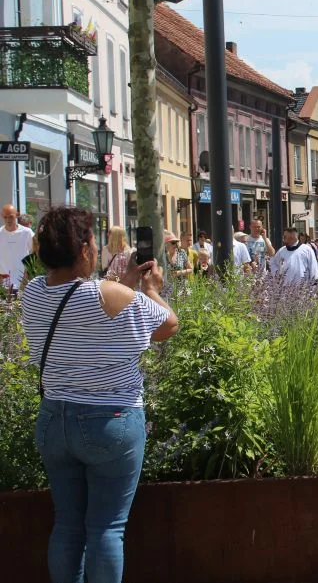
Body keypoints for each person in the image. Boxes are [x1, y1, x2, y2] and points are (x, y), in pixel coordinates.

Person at [21, 206, 178, 581]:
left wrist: (120, 282)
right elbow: (168, 324)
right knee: (107, 528)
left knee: (68, 524)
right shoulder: (108, 295)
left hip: (54, 419)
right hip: (110, 420)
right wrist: (151, 289)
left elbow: (84, 300)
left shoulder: (34, 292)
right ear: (85, 250)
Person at [1, 203, 35, 293]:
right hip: (3, 285)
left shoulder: (27, 232)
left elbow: (35, 253)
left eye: (11, 217)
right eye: (5, 217)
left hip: (23, 284)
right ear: (2, 216)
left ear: (17, 215)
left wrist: (28, 275)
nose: (8, 220)